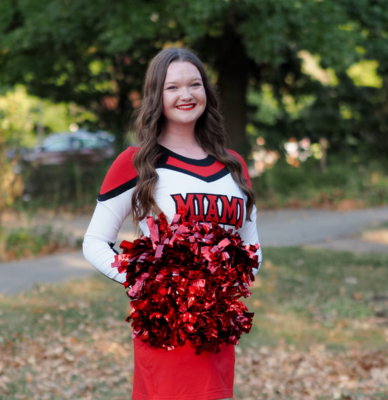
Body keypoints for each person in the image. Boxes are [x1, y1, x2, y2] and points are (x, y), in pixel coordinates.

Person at [83, 47, 262, 400]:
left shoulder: (234, 166)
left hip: (215, 330)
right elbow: (94, 242)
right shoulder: (136, 162)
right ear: (156, 96)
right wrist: (148, 283)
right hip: (167, 328)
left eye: (194, 85)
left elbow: (251, 246)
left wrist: (226, 290)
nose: (186, 95)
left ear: (206, 93)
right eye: (173, 87)